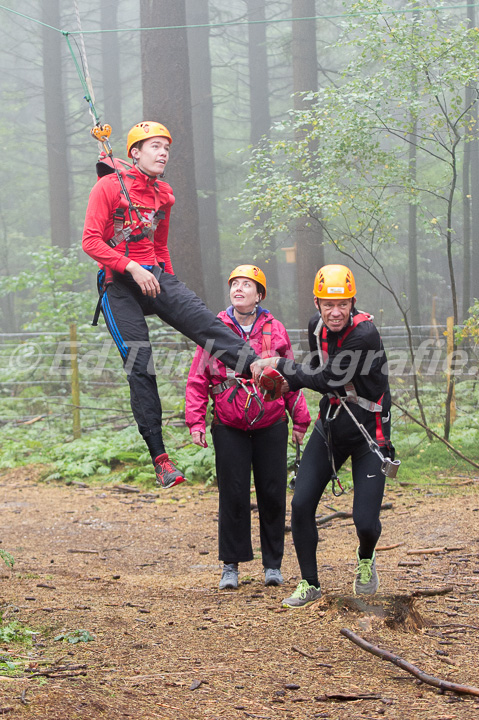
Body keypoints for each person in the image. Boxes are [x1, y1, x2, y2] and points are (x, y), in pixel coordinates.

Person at [82, 122, 272, 489]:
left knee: (203, 320)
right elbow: (91, 242)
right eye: (154, 146)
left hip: (152, 275)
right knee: (141, 363)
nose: (163, 153)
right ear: (134, 152)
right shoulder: (107, 187)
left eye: (166, 147)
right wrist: (132, 267)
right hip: (117, 285)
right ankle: (161, 459)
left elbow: (160, 246)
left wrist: (170, 286)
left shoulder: (163, 194)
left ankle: (259, 368)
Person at [251, 264, 396, 606]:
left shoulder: (365, 334)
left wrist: (281, 366)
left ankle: (365, 558)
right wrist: (290, 382)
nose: (335, 312)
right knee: (301, 505)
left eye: (343, 304)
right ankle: (310, 582)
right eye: (328, 305)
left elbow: (327, 378)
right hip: (332, 425)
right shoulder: (315, 327)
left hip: (368, 433)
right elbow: (318, 373)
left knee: (365, 520)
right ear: (317, 303)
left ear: (353, 302)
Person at [185, 265, 311, 589]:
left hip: (271, 421)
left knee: (272, 492)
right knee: (233, 493)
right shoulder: (213, 329)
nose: (239, 289)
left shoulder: (275, 330)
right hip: (228, 423)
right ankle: (231, 565)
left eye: (247, 285)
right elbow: (198, 377)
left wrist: (300, 419)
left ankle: (273, 565)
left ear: (259, 295)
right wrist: (195, 420)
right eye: (235, 284)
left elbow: (291, 377)